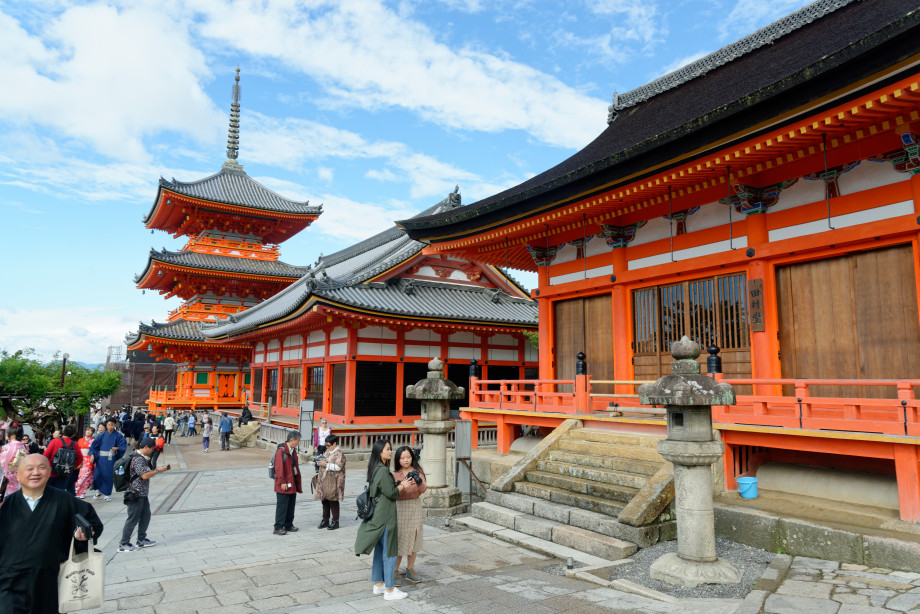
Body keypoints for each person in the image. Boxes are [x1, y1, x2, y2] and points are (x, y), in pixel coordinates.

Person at [0, 454, 104, 613]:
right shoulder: (7, 504)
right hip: (10, 582)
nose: (35, 473)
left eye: (41, 468)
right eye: (29, 469)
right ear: (17, 475)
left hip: (50, 581)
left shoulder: (65, 500)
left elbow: (91, 523)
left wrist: (84, 535)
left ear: (49, 472)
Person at [354, 439, 408, 601]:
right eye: (387, 449)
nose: (390, 452)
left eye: (390, 449)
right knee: (390, 552)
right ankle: (390, 590)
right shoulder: (383, 471)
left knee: (379, 551)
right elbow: (391, 493)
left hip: (377, 516)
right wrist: (402, 485)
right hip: (386, 517)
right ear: (380, 452)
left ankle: (379, 584)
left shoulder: (375, 469)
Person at [118, 437, 171, 552]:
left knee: (145, 515)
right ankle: (124, 543)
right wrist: (157, 471)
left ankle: (141, 539)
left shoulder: (142, 458)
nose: (153, 451)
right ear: (146, 447)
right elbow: (144, 475)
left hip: (142, 493)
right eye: (152, 448)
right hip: (135, 493)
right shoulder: (138, 459)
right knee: (133, 518)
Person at [392, 446, 427, 586]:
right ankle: (394, 570)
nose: (406, 460)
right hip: (400, 507)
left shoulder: (418, 472)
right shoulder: (395, 474)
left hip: (415, 506)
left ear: (412, 457)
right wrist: (402, 485)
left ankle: (410, 569)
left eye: (408, 457)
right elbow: (393, 493)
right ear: (398, 459)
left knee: (414, 536)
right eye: (402, 458)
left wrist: (418, 483)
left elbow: (423, 489)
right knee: (401, 537)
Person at [89, 418, 127, 502]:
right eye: (109, 425)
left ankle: (106, 494)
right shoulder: (101, 435)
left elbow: (123, 446)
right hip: (101, 459)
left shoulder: (118, 435)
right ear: (106, 425)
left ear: (115, 425)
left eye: (112, 425)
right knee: (98, 475)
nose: (110, 426)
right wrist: (92, 455)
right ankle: (98, 491)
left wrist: (117, 448)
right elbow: (94, 446)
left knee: (108, 476)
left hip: (110, 459)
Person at [272, 430, 302, 535]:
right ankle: (278, 526)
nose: (298, 443)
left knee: (290, 505)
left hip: (292, 482)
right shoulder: (281, 451)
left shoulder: (292, 451)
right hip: (283, 483)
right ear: (292, 440)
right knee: (282, 506)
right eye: (298, 440)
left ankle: (288, 524)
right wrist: (282, 482)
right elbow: (279, 468)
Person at [315, 434, 345, 530]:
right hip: (324, 479)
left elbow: (338, 467)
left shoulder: (339, 453)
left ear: (334, 443)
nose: (327, 447)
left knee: (333, 500)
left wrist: (326, 464)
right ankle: (325, 520)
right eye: (326, 445)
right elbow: (324, 459)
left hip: (334, 481)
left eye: (328, 445)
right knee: (324, 500)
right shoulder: (328, 451)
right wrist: (319, 461)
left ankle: (335, 521)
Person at [44, 424, 83, 494]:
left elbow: (45, 455)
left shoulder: (54, 441)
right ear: (73, 435)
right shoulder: (74, 444)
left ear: (63, 432)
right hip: (64, 472)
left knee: (47, 493)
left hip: (51, 471)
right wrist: (72, 466)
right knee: (59, 493)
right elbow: (80, 458)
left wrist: (48, 466)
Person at [0, 424, 28, 498]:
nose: (6, 434)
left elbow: (2, 461)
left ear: (12, 435)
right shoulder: (23, 446)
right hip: (19, 474)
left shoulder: (9, 447)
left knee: (8, 497)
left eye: (7, 433)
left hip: (8, 476)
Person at [75, 426, 97, 499]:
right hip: (81, 458)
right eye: (87, 430)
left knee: (86, 476)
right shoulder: (80, 440)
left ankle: (82, 492)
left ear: (92, 433)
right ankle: (77, 491)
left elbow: (95, 450)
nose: (88, 432)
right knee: (80, 476)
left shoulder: (93, 440)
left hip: (89, 459)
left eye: (90, 431)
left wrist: (93, 456)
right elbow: (78, 450)